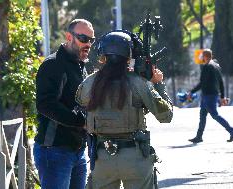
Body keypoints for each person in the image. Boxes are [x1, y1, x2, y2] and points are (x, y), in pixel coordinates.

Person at [75, 31, 173, 189]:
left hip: (102, 158)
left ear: (103, 57)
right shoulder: (139, 83)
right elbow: (166, 115)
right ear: (129, 57)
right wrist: (158, 84)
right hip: (135, 157)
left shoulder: (90, 82)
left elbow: (81, 100)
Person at [33, 19, 95, 189]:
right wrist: (81, 122)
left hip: (77, 151)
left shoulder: (81, 66)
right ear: (69, 36)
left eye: (91, 40)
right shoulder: (53, 64)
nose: (88, 43)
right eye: (84, 38)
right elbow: (45, 104)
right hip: (54, 151)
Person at [188, 49, 233, 144]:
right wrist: (222, 96)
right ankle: (199, 137)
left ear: (206, 57)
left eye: (202, 56)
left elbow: (202, 83)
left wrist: (191, 91)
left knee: (215, 115)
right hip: (211, 95)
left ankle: (232, 131)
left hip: (208, 96)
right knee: (202, 116)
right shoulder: (216, 66)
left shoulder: (207, 67)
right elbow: (221, 83)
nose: (201, 58)